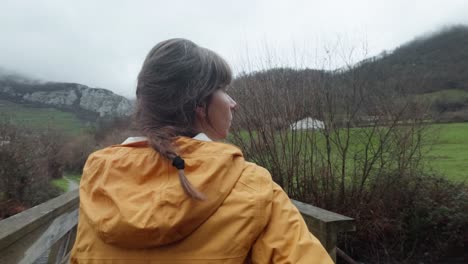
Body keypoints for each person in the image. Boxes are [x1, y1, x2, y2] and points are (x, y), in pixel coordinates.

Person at [70, 38, 333, 264]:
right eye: (223, 90)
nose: (233, 103)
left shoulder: (99, 178)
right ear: (199, 103)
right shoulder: (251, 184)